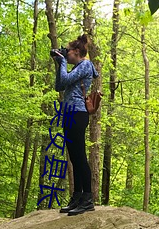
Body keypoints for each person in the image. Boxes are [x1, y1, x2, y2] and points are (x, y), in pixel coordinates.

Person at [53, 34, 99, 216]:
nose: (66, 54)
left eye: (68, 51)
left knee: (80, 157)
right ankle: (78, 197)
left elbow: (64, 81)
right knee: (74, 157)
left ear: (77, 52)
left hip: (78, 114)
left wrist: (62, 62)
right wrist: (60, 64)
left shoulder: (86, 65)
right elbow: (59, 85)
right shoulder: (76, 69)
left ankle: (87, 199)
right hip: (70, 114)